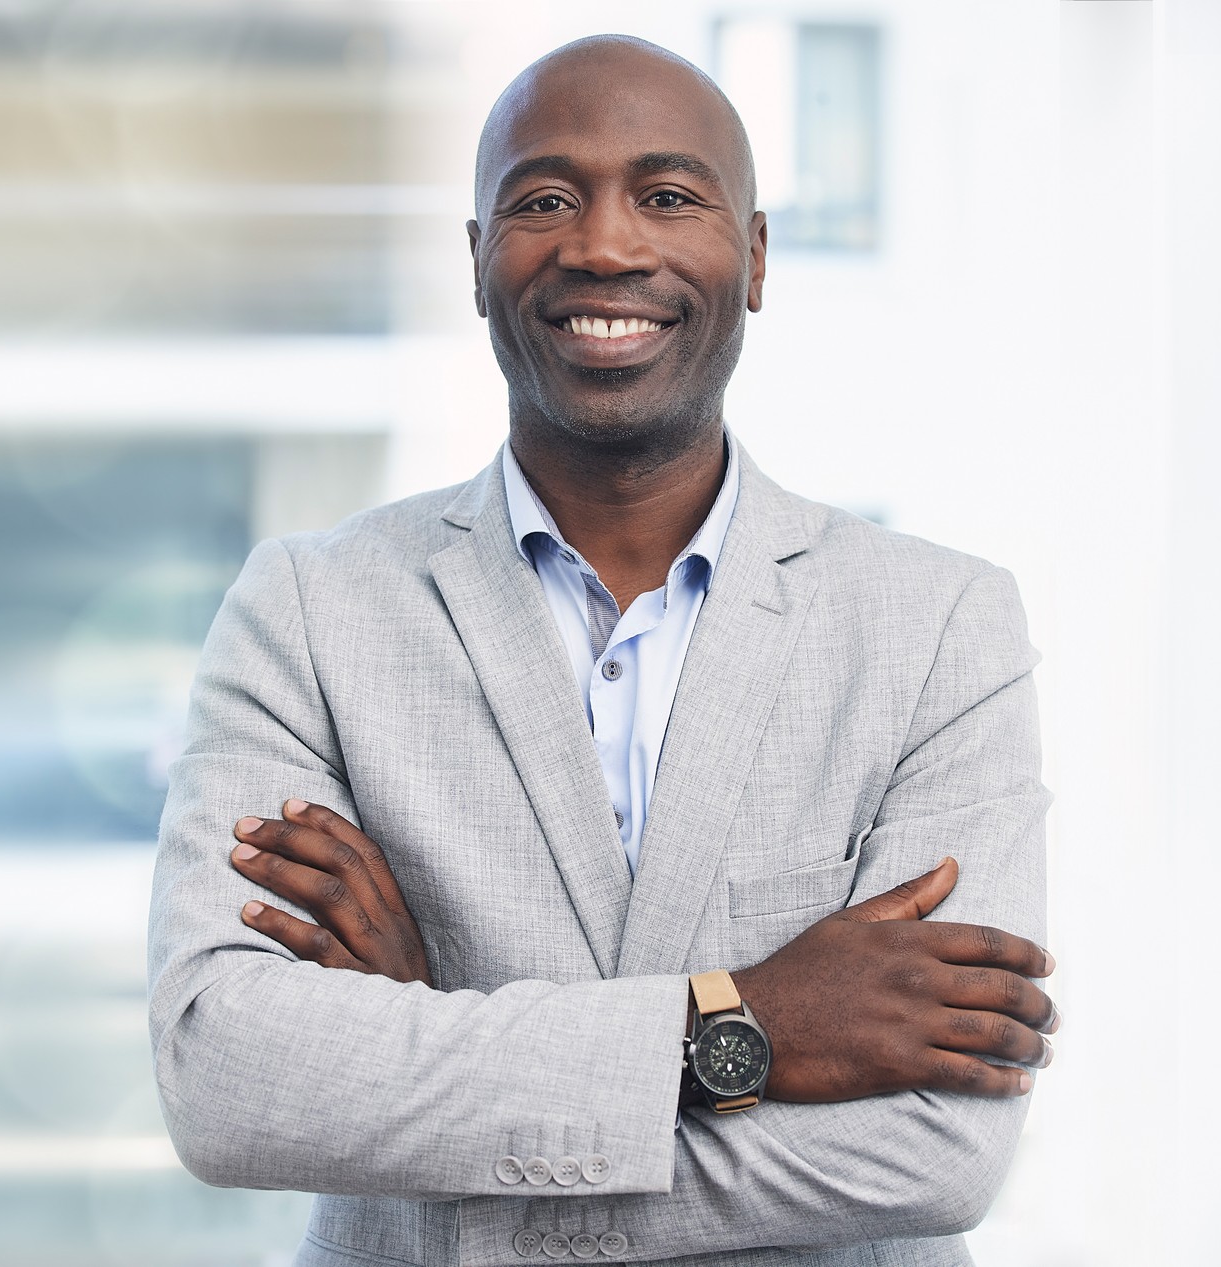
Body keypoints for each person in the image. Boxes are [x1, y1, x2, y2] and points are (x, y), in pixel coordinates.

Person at [147, 33, 1054, 1266]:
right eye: (543, 199)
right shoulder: (309, 609)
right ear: (477, 262)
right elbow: (230, 1076)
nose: (605, 245)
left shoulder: (940, 627)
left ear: (756, 257)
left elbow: (936, 1149)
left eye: (670, 195)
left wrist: (433, 1048)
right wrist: (745, 1024)